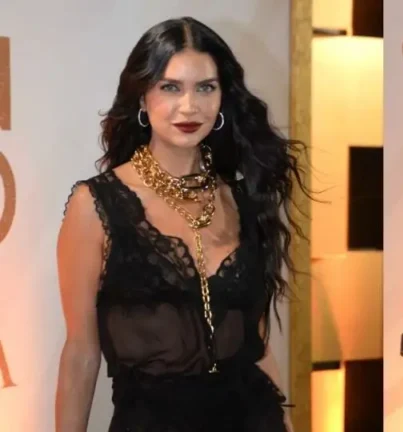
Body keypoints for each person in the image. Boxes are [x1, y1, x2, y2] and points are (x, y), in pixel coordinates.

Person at [54, 17, 307, 432]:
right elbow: (81, 352)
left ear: (223, 97)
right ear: (142, 97)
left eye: (205, 87)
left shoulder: (242, 199)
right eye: (170, 87)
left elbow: (256, 347)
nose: (189, 106)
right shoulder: (97, 206)